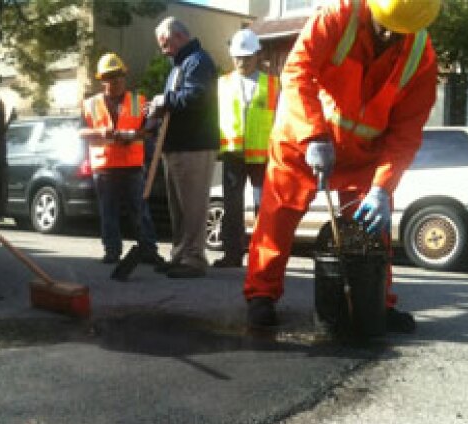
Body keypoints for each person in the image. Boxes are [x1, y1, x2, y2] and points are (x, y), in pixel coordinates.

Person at [243, 0, 439, 331]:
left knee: (370, 232)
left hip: (362, 156)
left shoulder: (422, 57)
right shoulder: (337, 17)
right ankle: (261, 295)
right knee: (277, 218)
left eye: (399, 32)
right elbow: (296, 72)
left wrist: (381, 188)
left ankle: (375, 302)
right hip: (303, 141)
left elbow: (406, 134)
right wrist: (313, 136)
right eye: (385, 26)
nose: (390, 35)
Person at [146, 17, 219, 279]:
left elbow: (196, 96)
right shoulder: (179, 64)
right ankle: (180, 254)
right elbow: (175, 102)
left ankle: (194, 258)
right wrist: (156, 111)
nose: (164, 50)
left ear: (180, 36)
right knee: (178, 207)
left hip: (194, 145)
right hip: (177, 145)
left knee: (192, 206)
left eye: (165, 43)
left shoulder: (198, 61)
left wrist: (163, 100)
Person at [79, 53, 165, 266]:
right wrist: (102, 132)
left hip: (132, 166)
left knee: (140, 211)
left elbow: (149, 130)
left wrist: (132, 135)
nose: (115, 80)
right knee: (109, 212)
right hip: (105, 167)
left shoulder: (137, 101)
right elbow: (81, 132)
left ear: (124, 77)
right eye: (110, 76)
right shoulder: (90, 104)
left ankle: (148, 250)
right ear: (102, 80)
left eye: (118, 76)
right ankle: (112, 251)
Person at [213, 28, 279, 268]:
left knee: (264, 208)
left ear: (257, 56)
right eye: (238, 57)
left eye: (247, 57)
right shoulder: (222, 83)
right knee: (232, 207)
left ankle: (263, 255)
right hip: (233, 153)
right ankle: (232, 254)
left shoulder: (272, 84)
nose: (241, 61)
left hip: (262, 156)